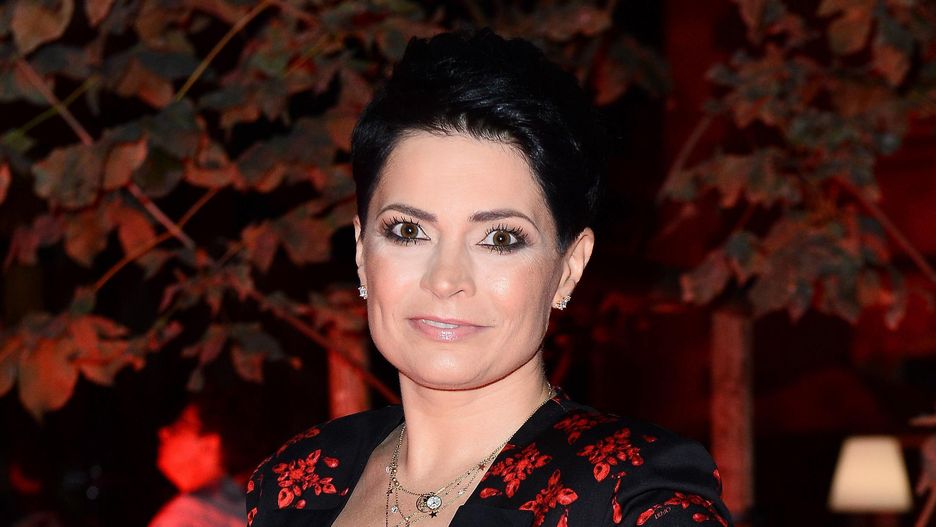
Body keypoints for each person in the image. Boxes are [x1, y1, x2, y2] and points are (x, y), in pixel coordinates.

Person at [246, 29, 732, 527]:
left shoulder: (630, 497)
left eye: (500, 238)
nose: (445, 279)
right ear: (361, 250)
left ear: (569, 268)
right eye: (409, 231)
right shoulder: (295, 482)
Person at [150, 402, 244, 527]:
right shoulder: (253, 504)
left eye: (180, 427)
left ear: (209, 445)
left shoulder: (185, 518)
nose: (164, 432)